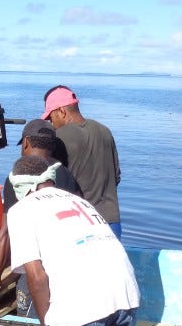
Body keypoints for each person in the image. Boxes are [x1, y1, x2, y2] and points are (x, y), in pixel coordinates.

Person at [6, 155, 140, 326]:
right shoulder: (78, 200)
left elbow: (36, 276)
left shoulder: (21, 210)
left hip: (82, 303)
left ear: (21, 187)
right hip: (125, 297)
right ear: (50, 180)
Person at [0, 119, 80, 318]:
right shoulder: (66, 174)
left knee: (31, 318)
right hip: (69, 264)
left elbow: (6, 232)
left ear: (26, 143)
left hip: (38, 269)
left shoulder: (18, 177)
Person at [42, 85, 123, 240]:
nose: (51, 123)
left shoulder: (58, 138)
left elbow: (51, 187)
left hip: (80, 224)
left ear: (62, 111)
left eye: (51, 117)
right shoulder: (104, 131)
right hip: (112, 223)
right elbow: (116, 177)